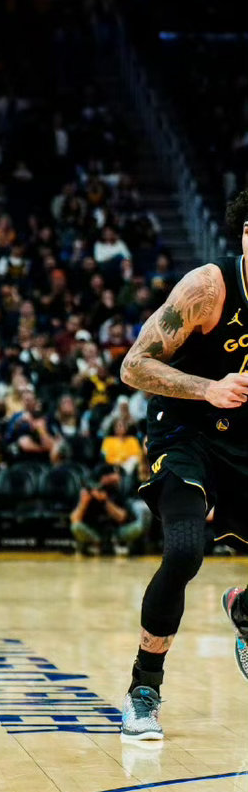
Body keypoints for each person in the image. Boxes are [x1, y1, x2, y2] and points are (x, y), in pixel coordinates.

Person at [118, 188, 248, 740]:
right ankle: (143, 690)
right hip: (186, 430)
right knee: (185, 549)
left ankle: (244, 608)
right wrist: (208, 388)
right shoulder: (209, 288)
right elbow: (133, 366)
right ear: (246, 234)